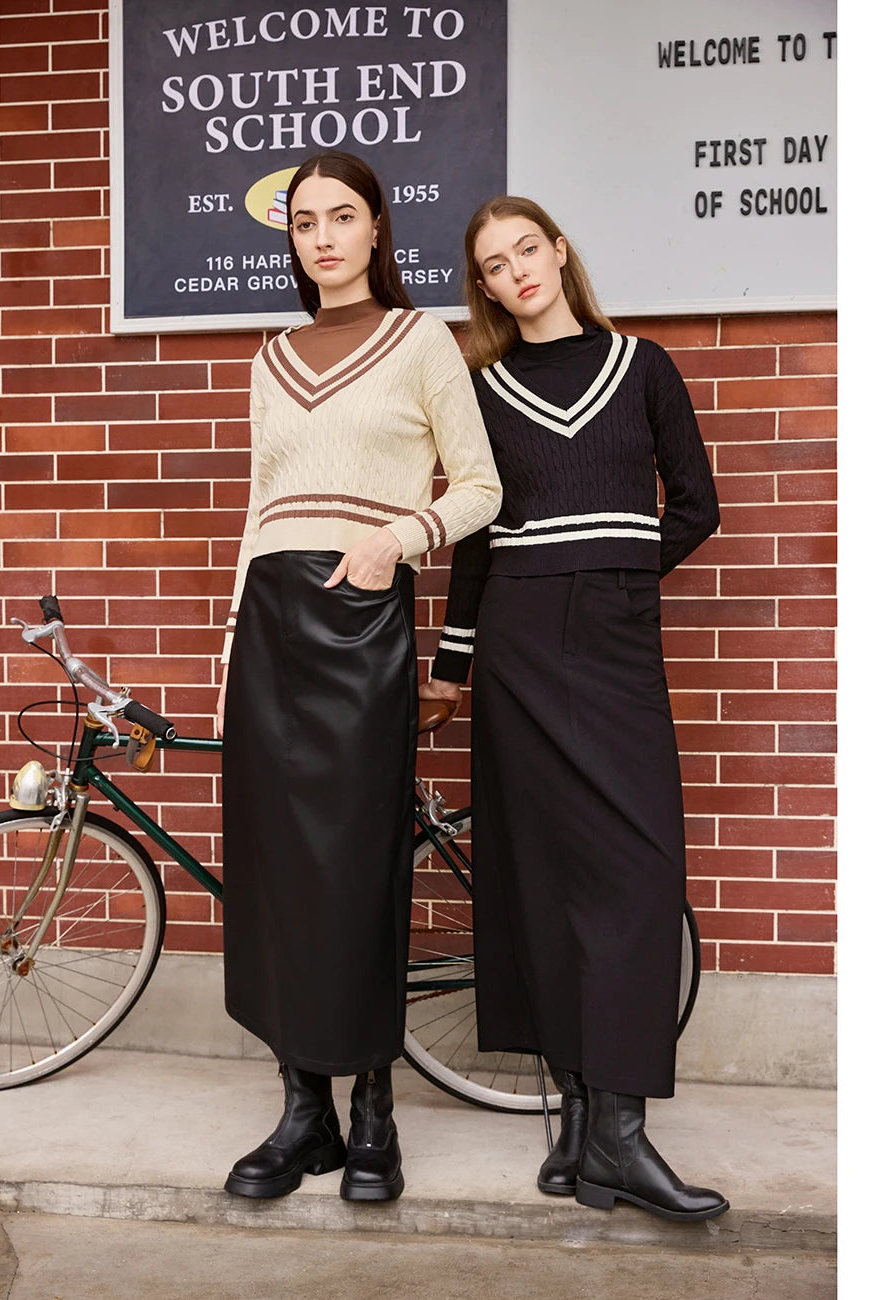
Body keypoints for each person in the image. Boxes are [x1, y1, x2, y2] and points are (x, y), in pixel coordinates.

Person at [419, 196, 728, 1220]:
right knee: (540, 875)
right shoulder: (481, 388)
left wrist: (621, 577)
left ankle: (619, 1136)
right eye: (493, 264)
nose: (517, 271)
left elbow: (696, 505)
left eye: (527, 249)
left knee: (635, 871)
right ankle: (585, 1128)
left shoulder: (642, 367)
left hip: (613, 638)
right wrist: (451, 667)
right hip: (514, 639)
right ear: (484, 286)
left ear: (558, 251)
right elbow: (475, 538)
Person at [216, 151, 501, 1204]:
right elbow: (260, 507)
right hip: (269, 627)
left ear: (377, 227)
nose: (324, 237)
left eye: (342, 217)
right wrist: (231, 646)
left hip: (360, 618)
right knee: (274, 873)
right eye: (305, 223)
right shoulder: (271, 357)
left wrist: (396, 539)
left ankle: (375, 1107)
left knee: (356, 865)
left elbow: (481, 487)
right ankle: (306, 1114)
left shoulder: (421, 340)